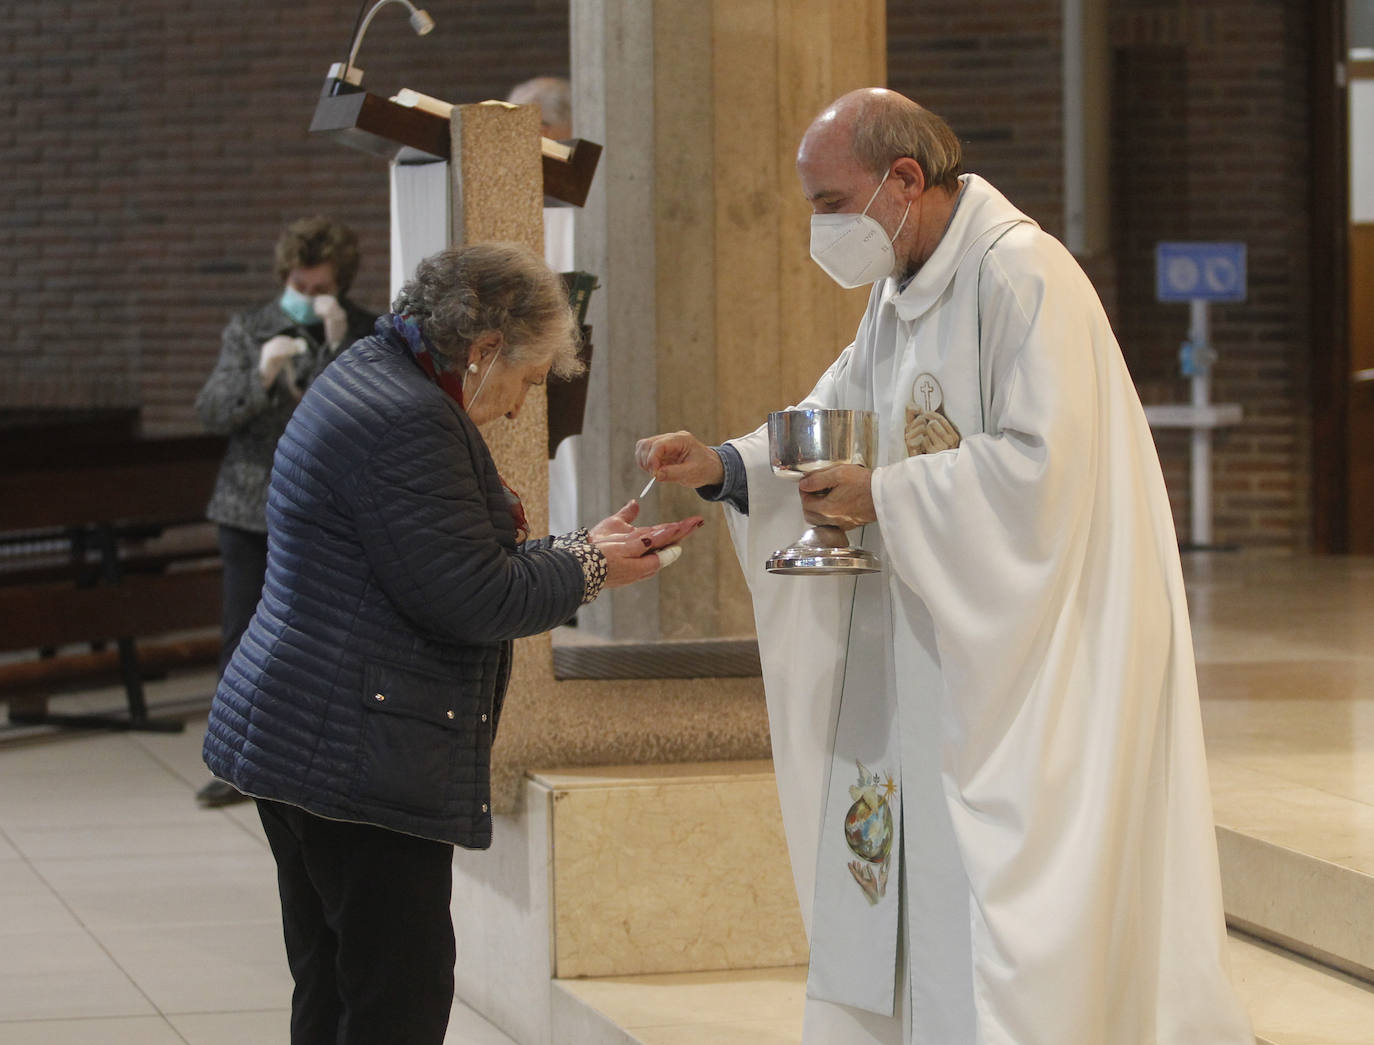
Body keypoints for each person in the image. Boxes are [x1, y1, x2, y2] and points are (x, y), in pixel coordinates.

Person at [635, 89, 1252, 1044]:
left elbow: (1047, 472)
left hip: (1029, 668)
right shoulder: (901, 292)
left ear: (905, 180)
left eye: (829, 202)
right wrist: (721, 465)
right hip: (923, 655)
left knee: (1004, 909)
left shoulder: (1022, 278)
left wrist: (889, 495)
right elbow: (829, 415)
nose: (819, 228)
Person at [202, 241, 702, 1045]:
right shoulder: (408, 419)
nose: (514, 409)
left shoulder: (375, 372)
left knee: (334, 984)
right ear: (483, 351)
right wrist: (589, 567)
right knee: (394, 996)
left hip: (308, 729)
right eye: (526, 383)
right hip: (353, 751)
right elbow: (471, 597)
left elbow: (439, 560)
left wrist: (582, 551)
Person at [193, 216, 377, 808]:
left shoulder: (364, 331)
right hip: (251, 508)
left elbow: (355, 414)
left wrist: (340, 342)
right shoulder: (251, 328)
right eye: (300, 283)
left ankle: (311, 760)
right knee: (242, 632)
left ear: (340, 286)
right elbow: (213, 412)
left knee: (323, 637)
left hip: (328, 512)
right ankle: (235, 762)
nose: (308, 295)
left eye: (321, 287)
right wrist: (261, 374)